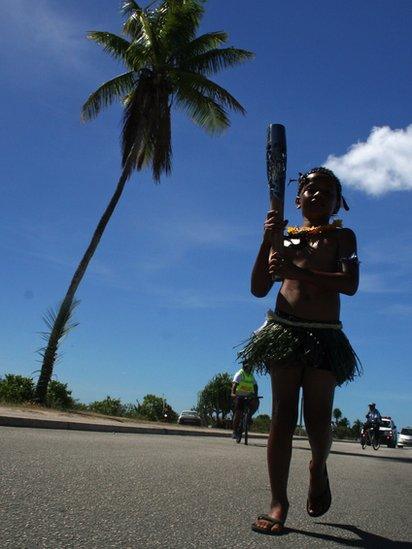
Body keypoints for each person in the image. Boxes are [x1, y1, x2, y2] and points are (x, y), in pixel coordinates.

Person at [237, 167, 361, 535]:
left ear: (338, 202)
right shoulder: (285, 239)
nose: (317, 195)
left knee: (319, 418)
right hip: (285, 331)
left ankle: (317, 466)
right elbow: (259, 288)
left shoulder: (343, 237)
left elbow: (350, 284)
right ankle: (279, 502)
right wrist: (267, 240)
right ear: (297, 198)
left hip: (325, 336)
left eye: (327, 191)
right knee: (282, 417)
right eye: (310, 189)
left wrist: (299, 272)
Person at [231, 364, 259, 439]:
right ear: (245, 367)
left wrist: (255, 395)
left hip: (249, 395)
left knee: (256, 403)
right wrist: (233, 393)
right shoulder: (240, 374)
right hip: (240, 395)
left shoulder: (251, 376)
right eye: (249, 367)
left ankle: (248, 417)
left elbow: (255, 385)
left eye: (251, 367)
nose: (250, 368)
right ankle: (234, 431)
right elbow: (234, 384)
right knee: (238, 413)